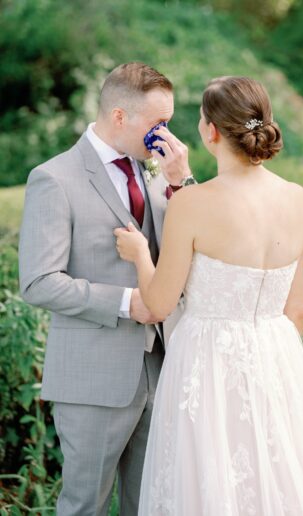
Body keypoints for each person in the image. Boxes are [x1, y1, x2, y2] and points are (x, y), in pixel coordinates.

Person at [114, 76, 303, 515]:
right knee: (280, 483)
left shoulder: (191, 206)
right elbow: (298, 311)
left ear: (211, 132)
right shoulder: (300, 200)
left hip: (206, 369)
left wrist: (140, 254)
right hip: (276, 360)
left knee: (212, 487)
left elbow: (157, 304)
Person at [19, 62, 195, 516]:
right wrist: (125, 302)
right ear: (120, 117)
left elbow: (187, 247)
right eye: (158, 124)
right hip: (92, 381)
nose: (165, 136)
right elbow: (39, 282)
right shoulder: (54, 178)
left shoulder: (155, 174)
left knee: (151, 505)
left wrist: (181, 183)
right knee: (85, 507)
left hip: (160, 372)